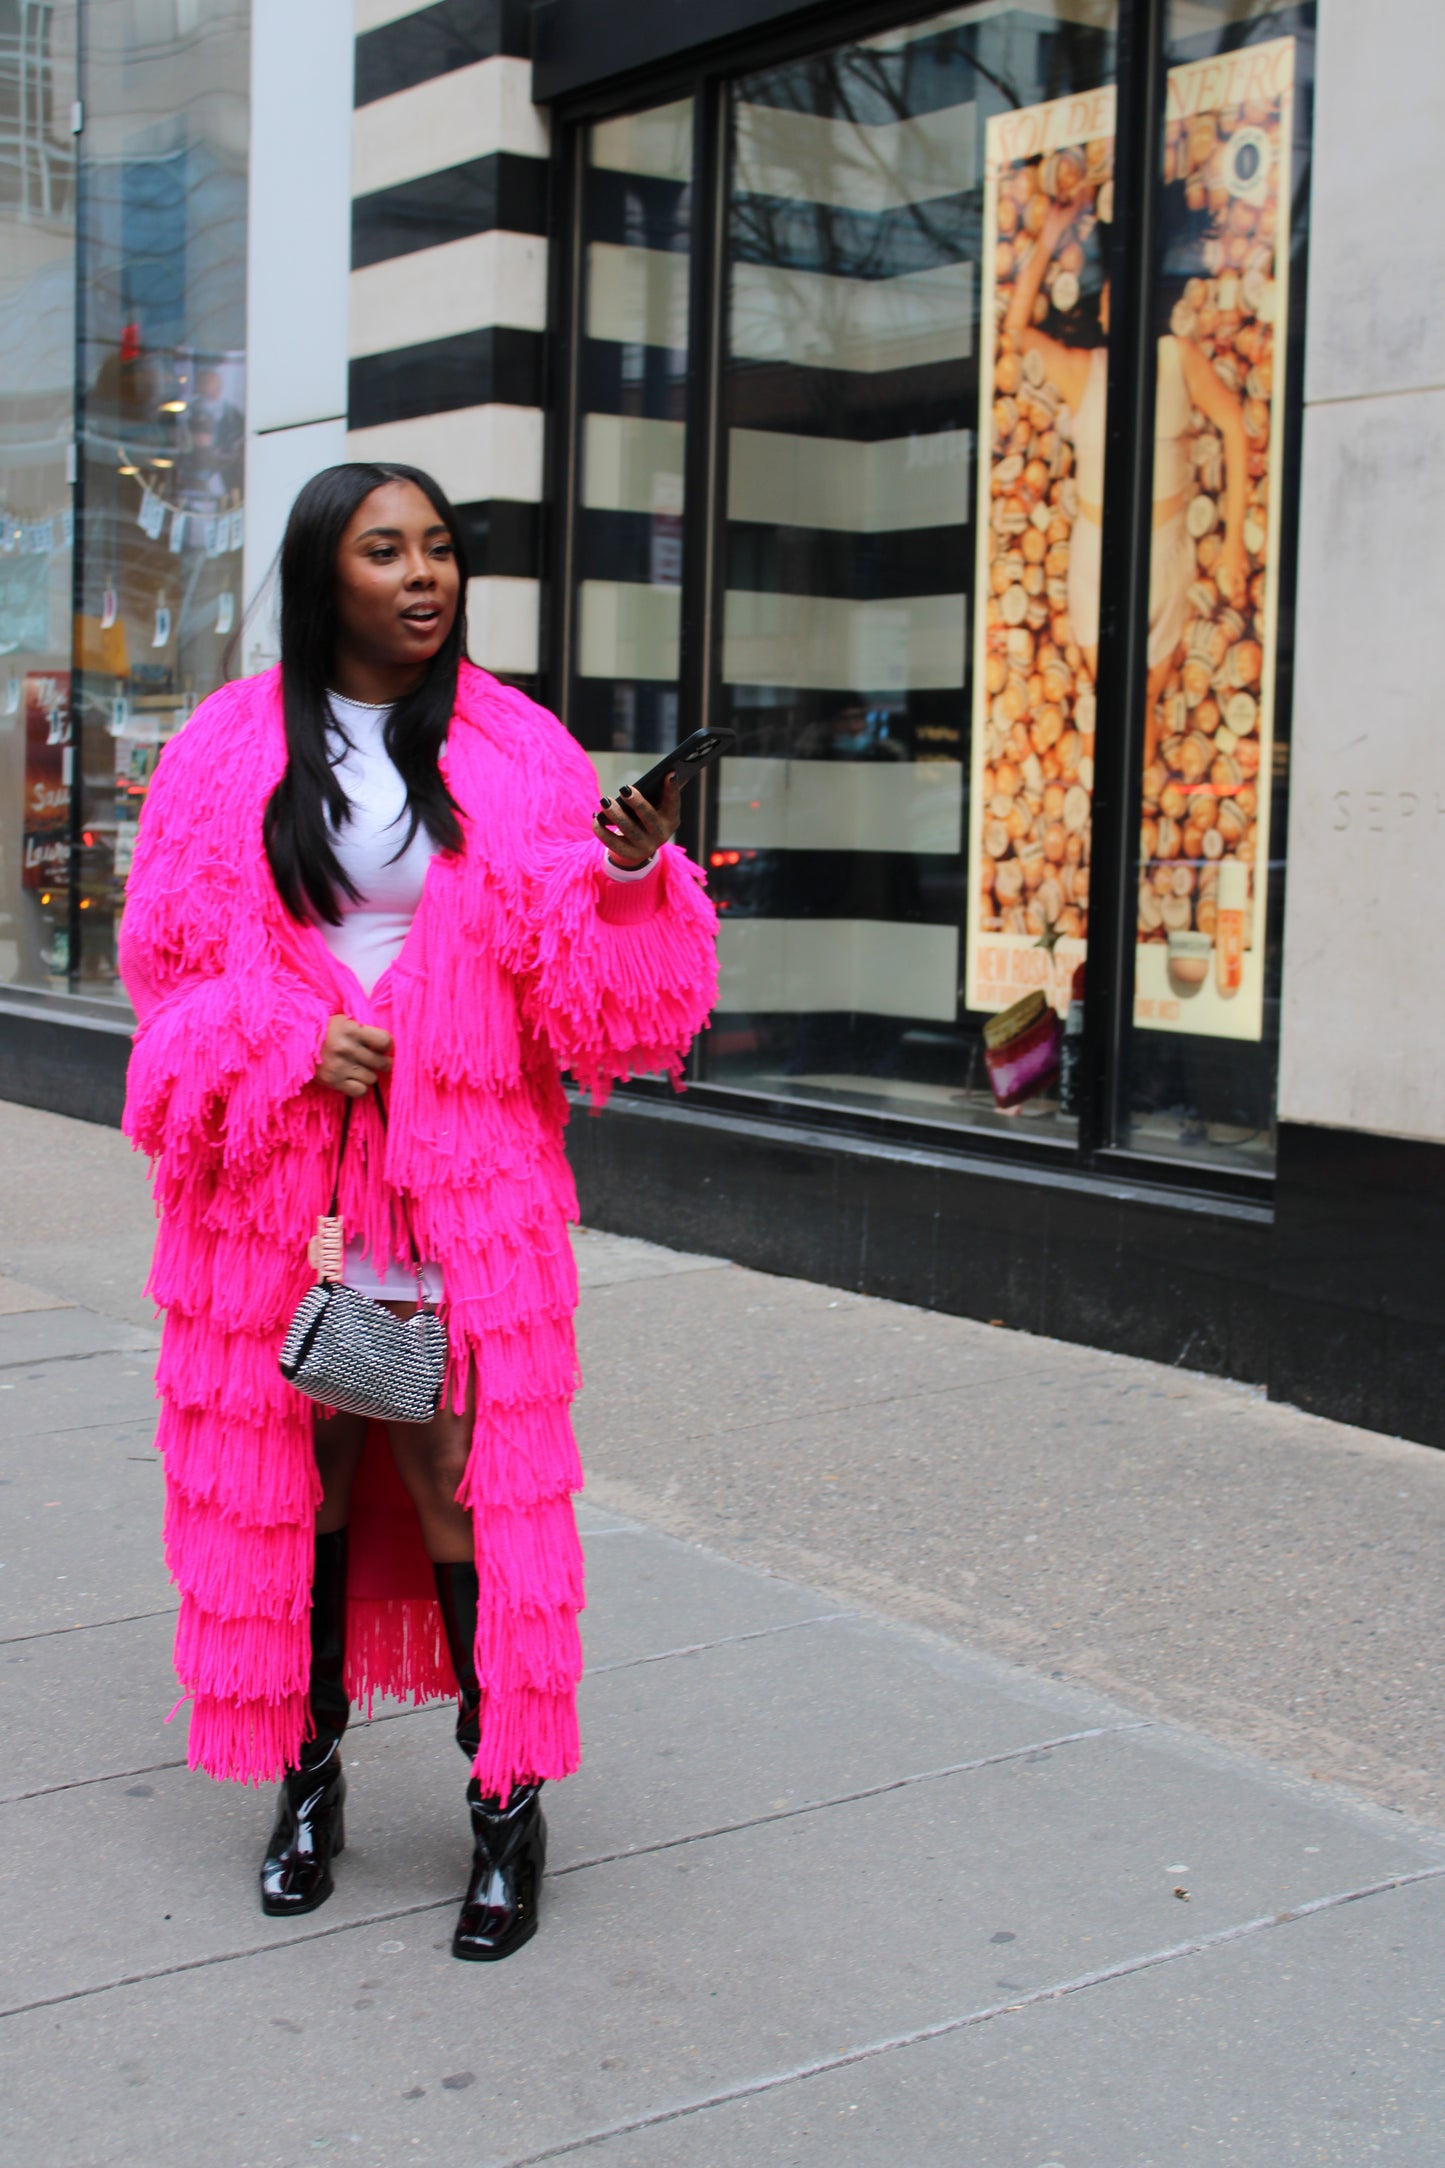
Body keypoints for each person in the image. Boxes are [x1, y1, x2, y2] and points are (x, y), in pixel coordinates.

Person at [118, 462, 718, 1961]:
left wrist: (629, 872)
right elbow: (167, 981)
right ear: (327, 576)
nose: (422, 575)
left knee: (460, 1471)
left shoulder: (517, 748)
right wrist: (283, 1037)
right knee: (306, 1463)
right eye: (385, 551)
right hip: (287, 1186)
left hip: (463, 1177)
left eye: (440, 549)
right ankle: (306, 1786)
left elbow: (602, 1010)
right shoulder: (222, 751)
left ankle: (505, 1810)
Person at [1002, 185, 1249, 735]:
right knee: (1115, 714)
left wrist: (1232, 544)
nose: (1118, 303)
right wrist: (1047, 240)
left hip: (1167, 552)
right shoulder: (1081, 367)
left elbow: (1233, 423)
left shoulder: (1177, 358)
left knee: (1146, 712)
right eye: (1112, 294)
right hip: (1098, 555)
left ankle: (1131, 815)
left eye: (1130, 293)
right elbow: (1017, 332)